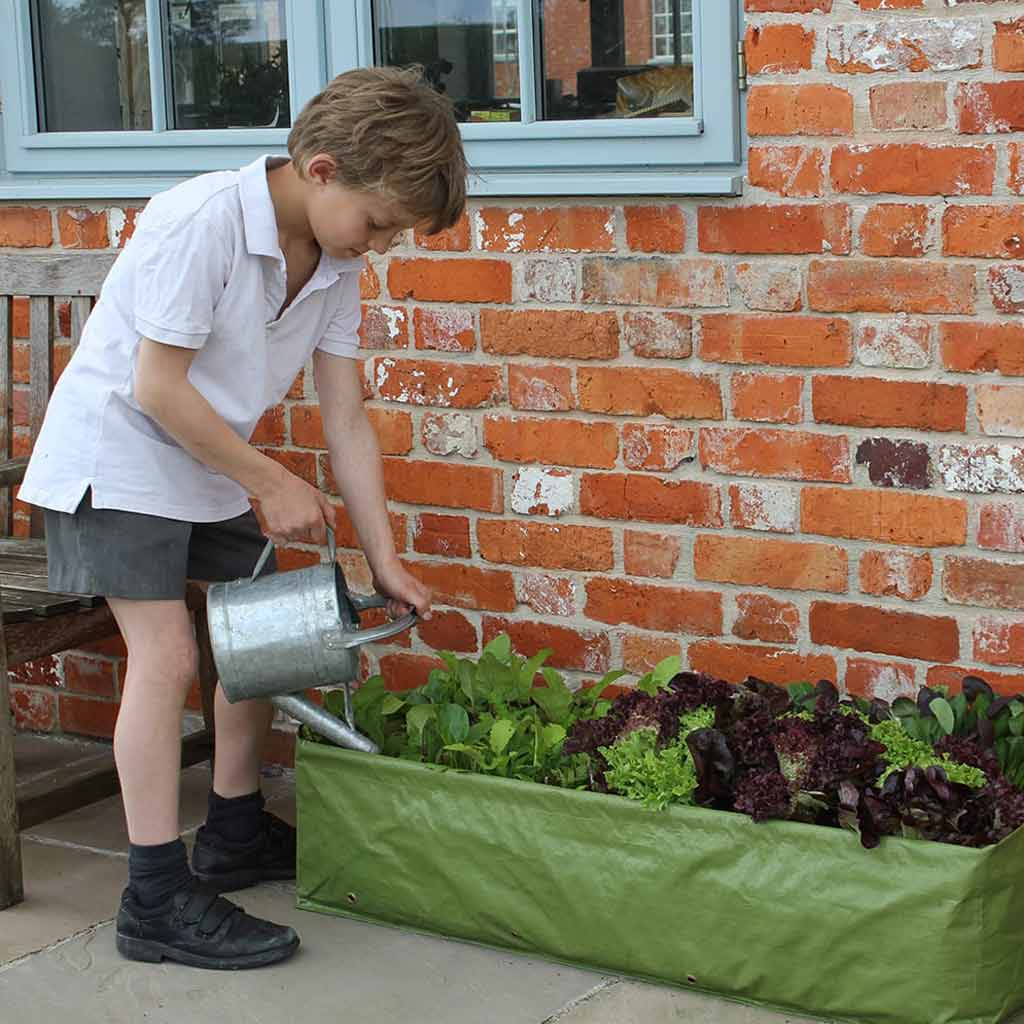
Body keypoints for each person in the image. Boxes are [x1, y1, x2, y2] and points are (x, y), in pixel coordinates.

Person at [18, 66, 466, 970]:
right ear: (323, 168)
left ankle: (230, 830)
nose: (376, 246)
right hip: (117, 459)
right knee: (170, 655)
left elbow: (345, 415)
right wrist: (268, 481)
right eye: (378, 222)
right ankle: (152, 895)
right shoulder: (202, 222)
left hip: (201, 460)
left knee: (271, 629)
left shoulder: (333, 262)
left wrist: (382, 555)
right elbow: (155, 388)